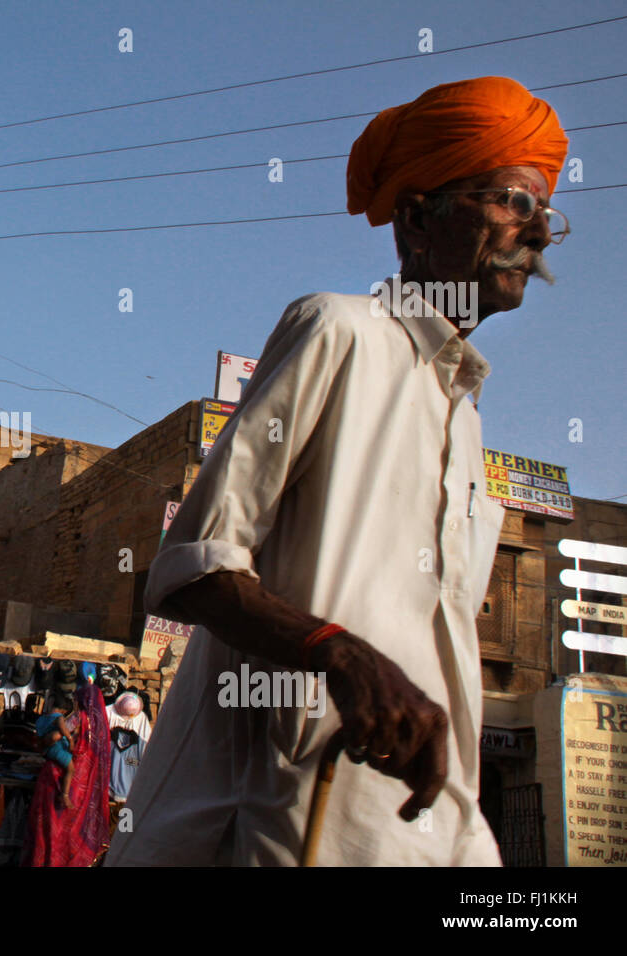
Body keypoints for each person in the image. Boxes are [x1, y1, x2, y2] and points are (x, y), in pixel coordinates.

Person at [106, 76, 568, 866]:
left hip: (425, 822)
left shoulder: (462, 410)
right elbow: (193, 568)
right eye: (512, 203)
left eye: (544, 213)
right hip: (282, 817)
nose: (538, 234)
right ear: (419, 218)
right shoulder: (339, 331)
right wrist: (342, 655)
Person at [23, 683, 111, 866]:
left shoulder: (77, 720)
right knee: (73, 830)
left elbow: (51, 739)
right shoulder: (100, 727)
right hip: (84, 787)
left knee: (52, 826)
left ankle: (49, 861)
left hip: (58, 777)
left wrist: (52, 741)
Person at [34, 694, 76, 808]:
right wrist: (70, 740)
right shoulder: (58, 717)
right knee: (71, 770)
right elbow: (62, 728)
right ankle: (65, 795)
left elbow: (38, 738)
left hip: (48, 750)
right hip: (57, 748)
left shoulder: (41, 719)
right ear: (64, 710)